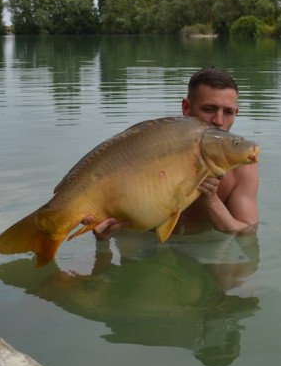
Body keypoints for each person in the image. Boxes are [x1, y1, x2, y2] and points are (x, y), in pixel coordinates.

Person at [84, 67, 259, 241]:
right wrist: (103, 237)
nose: (218, 121)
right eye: (209, 109)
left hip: (202, 247)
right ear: (186, 107)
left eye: (227, 112)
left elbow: (247, 232)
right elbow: (109, 217)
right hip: (142, 241)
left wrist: (211, 201)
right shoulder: (147, 148)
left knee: (239, 269)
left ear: (236, 113)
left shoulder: (243, 168)